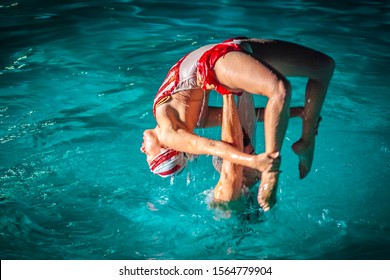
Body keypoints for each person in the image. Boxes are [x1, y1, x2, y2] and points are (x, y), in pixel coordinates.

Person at [140, 37, 335, 211]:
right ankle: (271, 172)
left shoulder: (197, 118)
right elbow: (213, 147)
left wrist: (299, 112)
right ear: (168, 148)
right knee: (279, 89)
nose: (142, 149)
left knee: (324, 67)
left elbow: (253, 115)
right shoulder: (168, 134)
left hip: (233, 49)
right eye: (148, 154)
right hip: (217, 61)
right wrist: (255, 162)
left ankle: (307, 141)